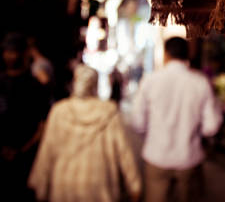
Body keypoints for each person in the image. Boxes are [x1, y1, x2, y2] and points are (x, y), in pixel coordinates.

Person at [28, 65, 142, 202]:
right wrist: (134, 184)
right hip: (99, 185)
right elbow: (123, 152)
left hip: (63, 185)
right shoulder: (108, 112)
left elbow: (47, 150)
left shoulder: (59, 111)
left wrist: (39, 184)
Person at [132, 37, 223, 202]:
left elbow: (138, 121)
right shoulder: (200, 82)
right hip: (188, 158)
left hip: (156, 157)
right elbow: (211, 126)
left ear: (166, 54)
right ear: (188, 55)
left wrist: (151, 136)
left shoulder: (150, 80)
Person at [0, 33, 49, 201]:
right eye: (8, 51)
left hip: (26, 160)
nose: (11, 56)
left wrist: (22, 151)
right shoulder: (1, 83)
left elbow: (43, 125)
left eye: (14, 51)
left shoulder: (35, 86)